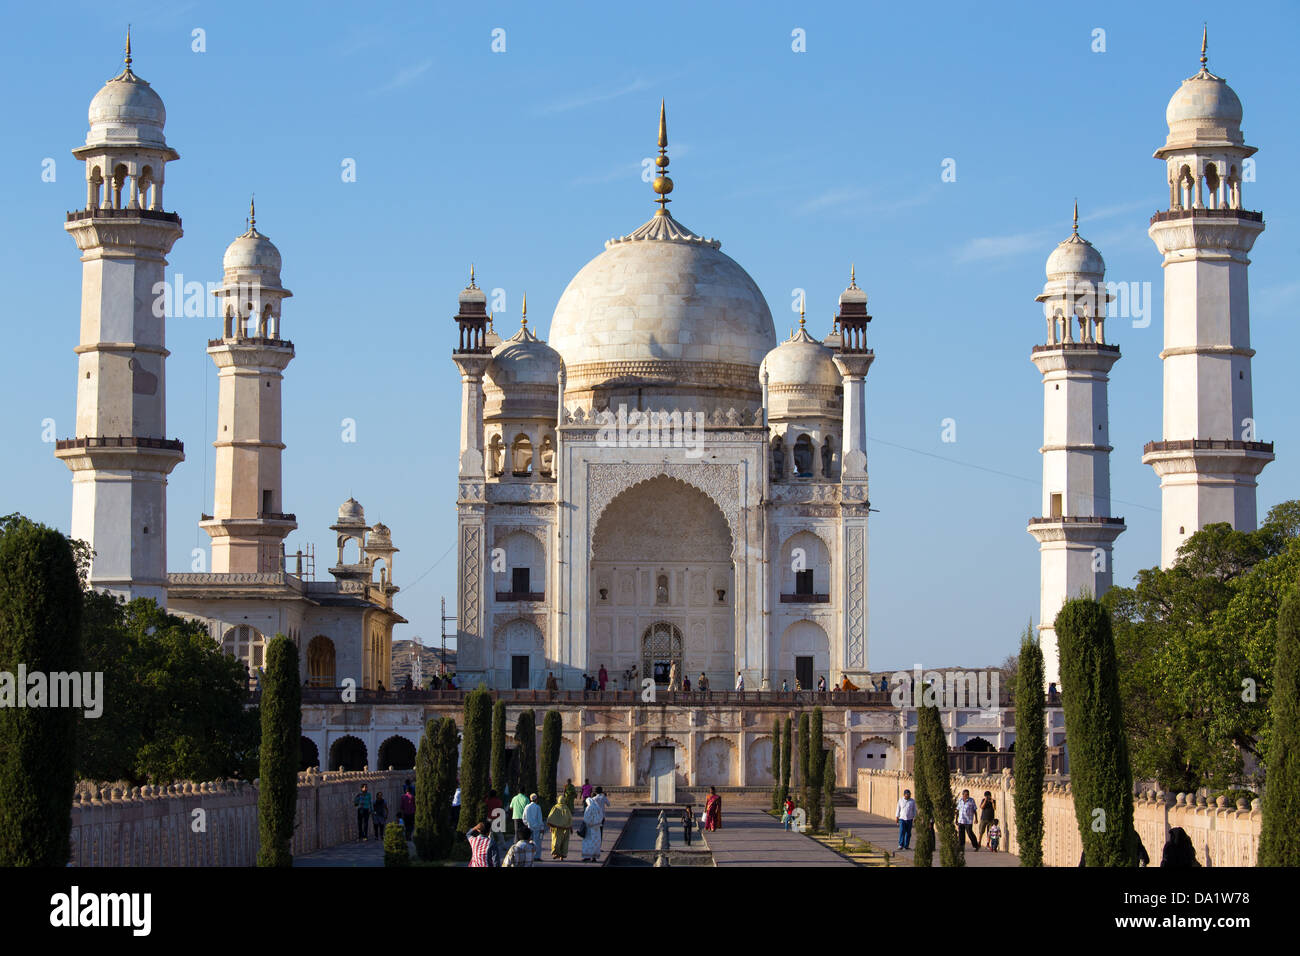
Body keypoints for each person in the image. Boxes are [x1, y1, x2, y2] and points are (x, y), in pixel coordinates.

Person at [581, 795, 605, 861]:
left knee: (588, 842)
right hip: (596, 829)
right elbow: (601, 817)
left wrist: (588, 823)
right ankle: (594, 857)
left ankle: (587, 857)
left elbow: (586, 818)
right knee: (595, 842)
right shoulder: (598, 807)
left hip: (589, 828)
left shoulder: (588, 808)